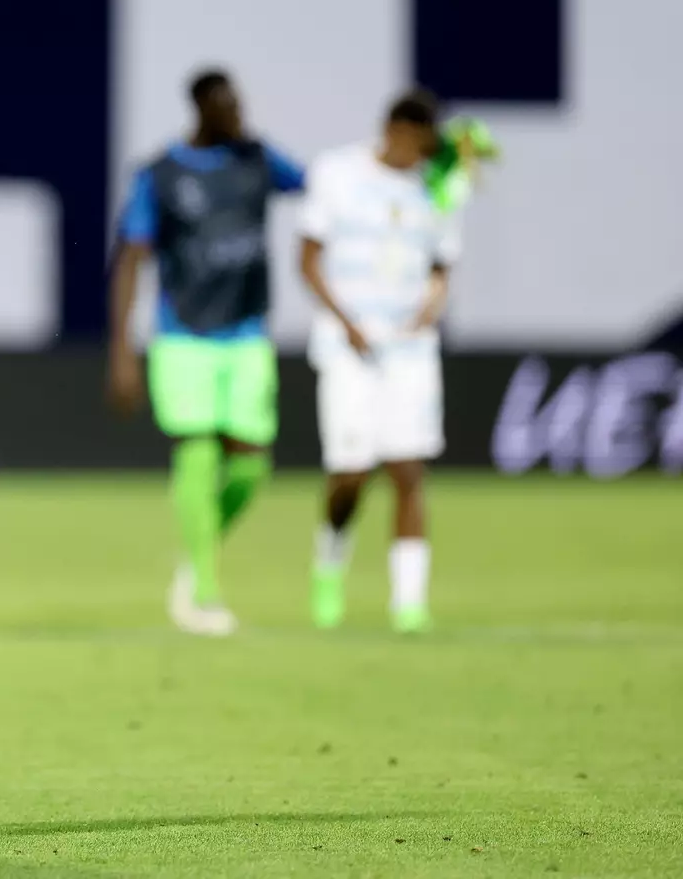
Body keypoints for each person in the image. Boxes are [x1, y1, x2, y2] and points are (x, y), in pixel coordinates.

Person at [108, 70, 304, 636]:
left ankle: (195, 557)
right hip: (182, 334)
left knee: (249, 464)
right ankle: (206, 592)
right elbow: (131, 257)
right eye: (228, 105)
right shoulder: (162, 174)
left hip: (246, 332)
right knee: (196, 453)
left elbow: (323, 186)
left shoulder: (259, 160)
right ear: (202, 108)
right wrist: (122, 350)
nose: (238, 114)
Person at [298, 89, 464, 634]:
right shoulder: (337, 174)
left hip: (410, 351)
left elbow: (442, 266)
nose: (422, 152)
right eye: (417, 140)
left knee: (409, 470)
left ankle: (409, 603)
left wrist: (431, 306)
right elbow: (308, 258)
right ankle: (330, 563)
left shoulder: (439, 187)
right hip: (349, 348)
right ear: (393, 130)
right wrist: (346, 322)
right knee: (350, 474)